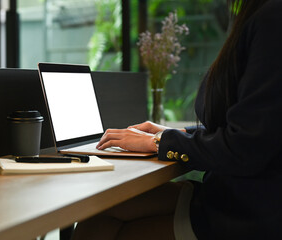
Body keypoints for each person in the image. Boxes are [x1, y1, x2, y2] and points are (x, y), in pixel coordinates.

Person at [72, 0, 282, 239]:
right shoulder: (260, 14)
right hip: (235, 195)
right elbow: (253, 126)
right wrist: (176, 134)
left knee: (111, 230)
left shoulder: (273, 17)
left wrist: (160, 143)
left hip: (251, 213)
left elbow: (245, 147)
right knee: (96, 214)